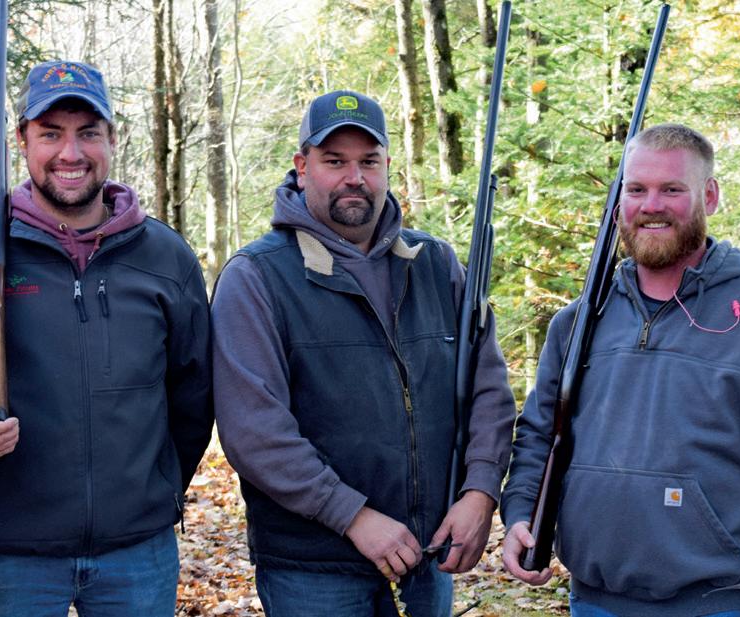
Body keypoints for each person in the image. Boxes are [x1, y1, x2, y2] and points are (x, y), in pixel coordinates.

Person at [500, 124, 740, 617]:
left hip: (720, 605)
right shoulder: (576, 324)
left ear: (710, 196)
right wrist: (520, 513)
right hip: (593, 602)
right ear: (618, 203)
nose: (651, 205)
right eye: (636, 189)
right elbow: (539, 435)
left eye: (671, 189)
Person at [0, 59, 213, 616]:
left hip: (138, 553)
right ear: (22, 141)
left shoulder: (166, 258)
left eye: (88, 133)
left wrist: (157, 489)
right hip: (9, 556)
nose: (70, 153)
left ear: (112, 139)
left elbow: (193, 394)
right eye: (51, 134)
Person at [211, 90, 517, 616]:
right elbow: (254, 430)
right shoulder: (257, 277)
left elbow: (488, 387)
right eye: (335, 161)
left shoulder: (436, 264)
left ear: (387, 167)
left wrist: (480, 492)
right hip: (313, 570)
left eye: (368, 161)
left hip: (427, 557)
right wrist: (352, 515)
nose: (354, 177)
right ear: (302, 167)